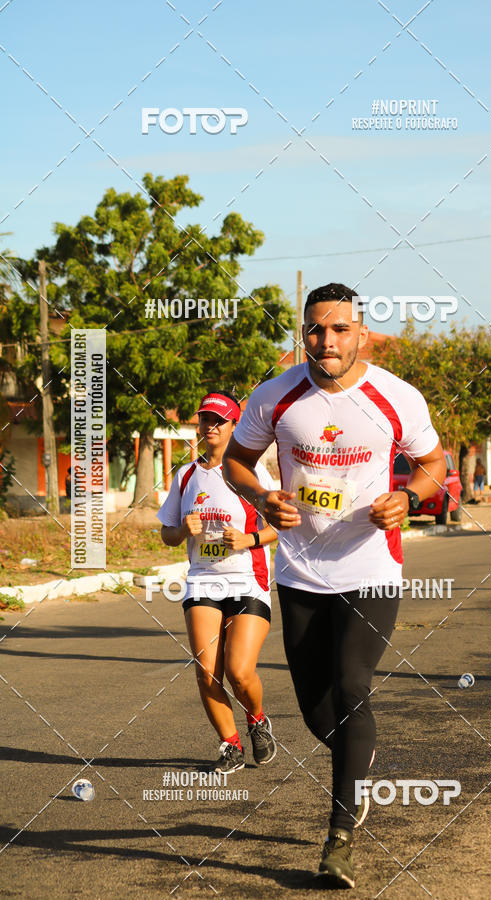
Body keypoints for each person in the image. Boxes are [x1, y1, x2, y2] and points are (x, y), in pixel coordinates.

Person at [222, 283, 446, 888]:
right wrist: (263, 496)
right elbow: (236, 461)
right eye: (316, 330)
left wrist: (408, 498)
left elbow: (434, 466)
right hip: (300, 574)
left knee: (351, 687)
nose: (328, 341)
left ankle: (339, 838)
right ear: (304, 334)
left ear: (361, 335)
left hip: (371, 570)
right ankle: (357, 766)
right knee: (318, 712)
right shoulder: (276, 396)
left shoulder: (396, 396)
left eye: (340, 329)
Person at [157, 390, 279, 774]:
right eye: (205, 419)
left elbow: (279, 525)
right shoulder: (186, 475)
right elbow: (167, 533)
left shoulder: (250, 473)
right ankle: (230, 745)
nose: (210, 426)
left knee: (239, 672)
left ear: (233, 427)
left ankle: (257, 719)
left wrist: (248, 540)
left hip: (247, 580)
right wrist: (182, 530)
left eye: (219, 421)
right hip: (203, 581)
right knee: (207, 671)